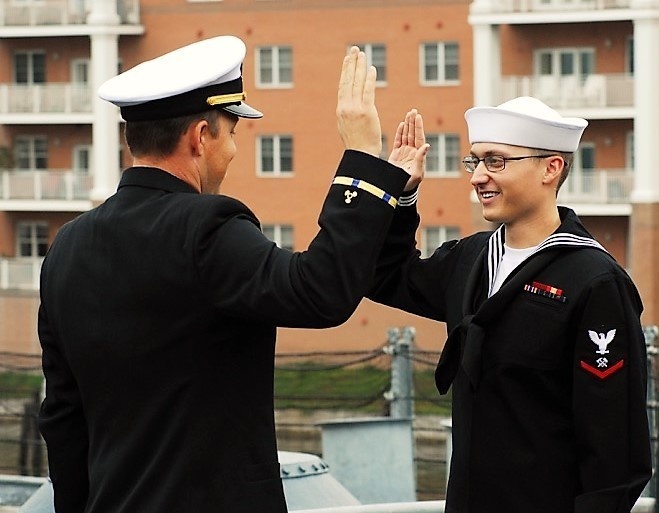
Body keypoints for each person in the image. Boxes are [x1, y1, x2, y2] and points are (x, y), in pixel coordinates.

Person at [37, 36, 428, 513]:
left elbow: (62, 419)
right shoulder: (205, 228)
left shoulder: (66, 249)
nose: (234, 151)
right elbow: (320, 292)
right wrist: (364, 159)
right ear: (201, 137)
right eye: (233, 134)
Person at [371, 96, 652, 513]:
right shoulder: (470, 259)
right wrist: (403, 195)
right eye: (475, 162)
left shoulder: (595, 282)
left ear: (550, 168)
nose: (478, 177)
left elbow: (616, 452)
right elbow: (387, 277)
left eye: (496, 161)